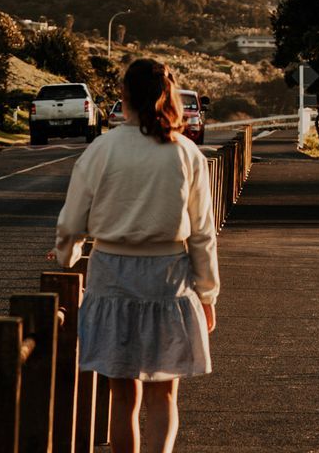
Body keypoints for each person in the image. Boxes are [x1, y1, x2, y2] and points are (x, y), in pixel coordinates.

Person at [48, 58, 219, 453]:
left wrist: (66, 256)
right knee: (164, 396)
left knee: (123, 398)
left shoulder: (101, 150)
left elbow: (72, 221)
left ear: (125, 96)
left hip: (111, 275)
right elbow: (202, 233)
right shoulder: (186, 153)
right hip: (168, 278)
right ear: (168, 96)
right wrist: (208, 294)